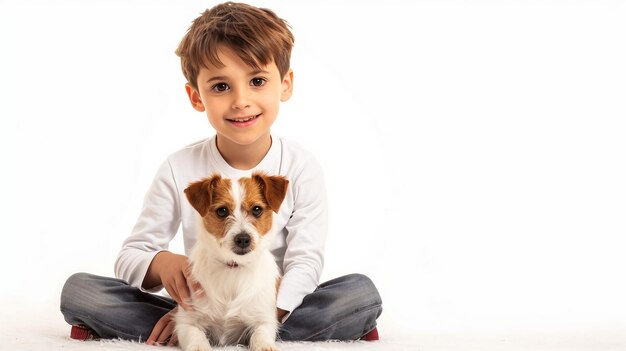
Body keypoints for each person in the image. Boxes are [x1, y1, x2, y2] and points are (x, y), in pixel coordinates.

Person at [60, 1, 382, 345]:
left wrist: (266, 316)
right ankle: (217, 332)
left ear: (285, 84)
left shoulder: (301, 167)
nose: (241, 100)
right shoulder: (179, 167)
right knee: (81, 290)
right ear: (196, 96)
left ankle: (246, 334)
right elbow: (130, 256)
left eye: (257, 80)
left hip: (273, 307)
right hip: (201, 304)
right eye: (220, 86)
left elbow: (305, 263)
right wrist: (166, 265)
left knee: (359, 292)